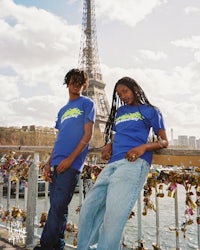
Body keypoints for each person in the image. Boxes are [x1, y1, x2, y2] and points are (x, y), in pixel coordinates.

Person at [77, 76, 168, 250]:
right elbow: (119, 135)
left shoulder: (151, 110)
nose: (123, 96)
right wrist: (109, 144)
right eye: (119, 94)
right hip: (112, 163)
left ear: (135, 88)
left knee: (114, 217)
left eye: (125, 91)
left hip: (134, 164)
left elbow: (164, 142)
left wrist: (144, 147)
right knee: (89, 208)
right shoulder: (119, 113)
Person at [34, 68, 96, 250]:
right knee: (59, 208)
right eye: (73, 81)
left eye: (80, 82)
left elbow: (88, 135)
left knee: (57, 207)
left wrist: (70, 160)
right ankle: (58, 245)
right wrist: (48, 162)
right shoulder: (62, 111)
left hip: (71, 163)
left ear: (84, 85)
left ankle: (44, 246)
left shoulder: (88, 103)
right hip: (55, 163)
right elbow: (59, 138)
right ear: (67, 82)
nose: (76, 85)